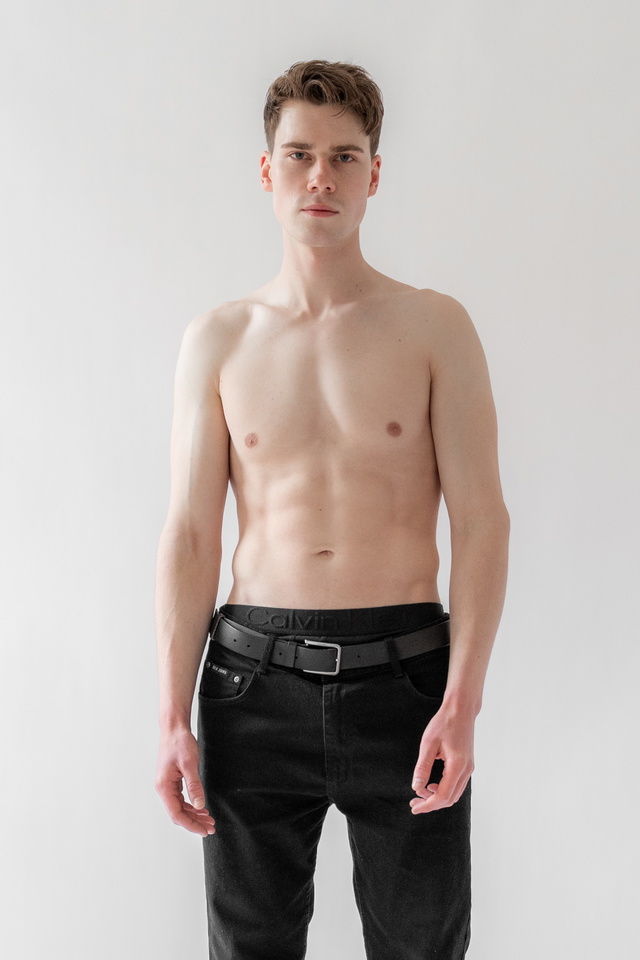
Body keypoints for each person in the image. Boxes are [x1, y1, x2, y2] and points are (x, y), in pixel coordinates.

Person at [155, 59, 510, 960]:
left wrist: (462, 700)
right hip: (250, 681)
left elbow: (482, 522)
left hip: (407, 679)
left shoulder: (434, 327)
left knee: (422, 946)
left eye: (345, 157)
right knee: (249, 948)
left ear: (374, 174)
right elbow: (191, 535)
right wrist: (171, 716)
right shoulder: (219, 339)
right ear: (266, 170)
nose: (322, 176)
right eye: (300, 154)